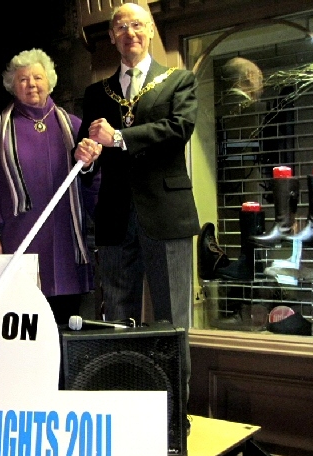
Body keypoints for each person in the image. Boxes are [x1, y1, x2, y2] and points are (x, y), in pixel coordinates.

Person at [73, 3, 199, 334]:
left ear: (151, 30)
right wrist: (84, 157)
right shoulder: (96, 94)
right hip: (114, 218)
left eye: (137, 25)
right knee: (115, 319)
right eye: (121, 28)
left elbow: (179, 129)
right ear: (112, 38)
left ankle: (175, 389)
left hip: (167, 214)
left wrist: (119, 137)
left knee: (173, 321)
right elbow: (87, 157)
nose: (130, 33)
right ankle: (123, 385)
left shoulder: (179, 81)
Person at [0, 48, 101, 325]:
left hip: (66, 241)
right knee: (23, 324)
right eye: (22, 79)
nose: (31, 84)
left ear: (49, 81)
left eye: (37, 77)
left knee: (67, 324)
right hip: (19, 237)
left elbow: (91, 180)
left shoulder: (73, 125)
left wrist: (92, 164)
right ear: (12, 86)